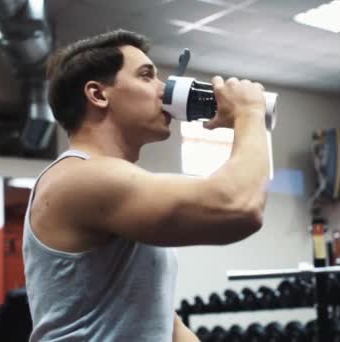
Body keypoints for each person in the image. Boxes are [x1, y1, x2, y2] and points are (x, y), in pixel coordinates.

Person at [22, 29, 270, 341]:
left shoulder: (115, 184)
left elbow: (162, 320)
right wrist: (250, 113)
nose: (163, 90)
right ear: (98, 94)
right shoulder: (80, 178)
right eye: (146, 76)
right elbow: (239, 206)